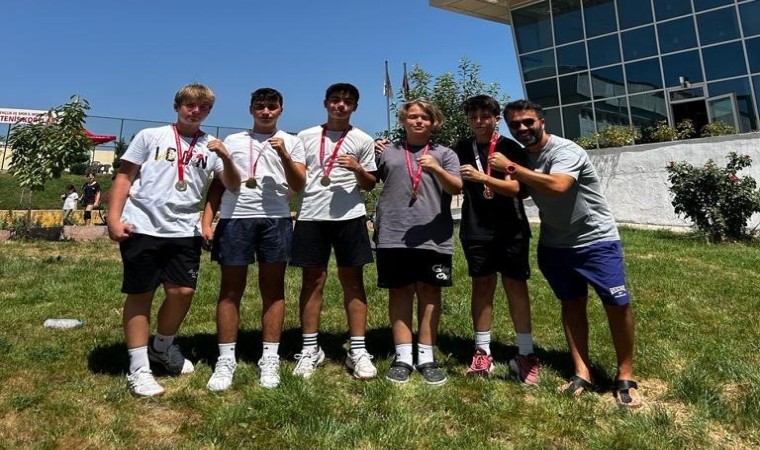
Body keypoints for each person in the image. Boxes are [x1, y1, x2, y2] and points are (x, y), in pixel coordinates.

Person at [490, 99, 641, 407]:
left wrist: (510, 167)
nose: (522, 128)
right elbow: (519, 189)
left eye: (528, 122)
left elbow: (558, 185)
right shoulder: (522, 156)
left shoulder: (565, 150)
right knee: (571, 304)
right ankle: (582, 372)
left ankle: (625, 375)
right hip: (555, 244)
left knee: (617, 304)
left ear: (542, 122)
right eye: (515, 124)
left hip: (596, 241)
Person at [107, 83, 241, 397]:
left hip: (184, 230)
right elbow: (125, 176)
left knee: (182, 291)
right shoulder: (150, 136)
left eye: (203, 107)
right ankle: (139, 369)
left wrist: (226, 157)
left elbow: (233, 184)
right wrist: (113, 218)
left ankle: (162, 346)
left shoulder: (211, 146)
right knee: (141, 294)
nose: (195, 111)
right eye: (189, 105)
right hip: (142, 226)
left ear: (209, 111)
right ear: (177, 106)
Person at [202, 88, 306, 391]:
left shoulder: (292, 141)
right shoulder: (234, 141)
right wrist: (207, 221)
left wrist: (284, 154)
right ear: (251, 109)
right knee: (230, 290)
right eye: (260, 106)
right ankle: (226, 359)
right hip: (236, 218)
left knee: (273, 289)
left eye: (272, 106)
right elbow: (219, 186)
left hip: (276, 218)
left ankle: (269, 357)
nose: (266, 111)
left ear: (281, 110)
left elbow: (299, 183)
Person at [291, 83, 378, 380]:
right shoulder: (304, 136)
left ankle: (358, 350)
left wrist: (357, 168)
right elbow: (297, 177)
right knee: (312, 282)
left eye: (348, 102)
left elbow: (369, 184)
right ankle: (310, 349)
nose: (341, 105)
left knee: (353, 282)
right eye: (336, 100)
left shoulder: (363, 139)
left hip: (349, 216)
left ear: (355, 107)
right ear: (326, 103)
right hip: (311, 216)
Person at [374, 99, 462, 385]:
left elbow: (456, 187)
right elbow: (369, 179)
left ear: (434, 122)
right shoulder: (387, 152)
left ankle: (426, 356)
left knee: (430, 293)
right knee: (399, 292)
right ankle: (402, 357)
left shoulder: (445, 154)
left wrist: (436, 169)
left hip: (433, 236)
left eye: (425, 117)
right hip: (393, 233)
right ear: (404, 121)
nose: (419, 121)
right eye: (413, 116)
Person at [454, 95, 540, 384]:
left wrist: (484, 179)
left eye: (484, 117)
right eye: (473, 117)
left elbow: (516, 189)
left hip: (511, 228)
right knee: (482, 285)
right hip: (476, 228)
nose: (479, 122)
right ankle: (482, 351)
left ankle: (525, 353)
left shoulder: (510, 148)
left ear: (496, 119)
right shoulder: (461, 148)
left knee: (516, 286)